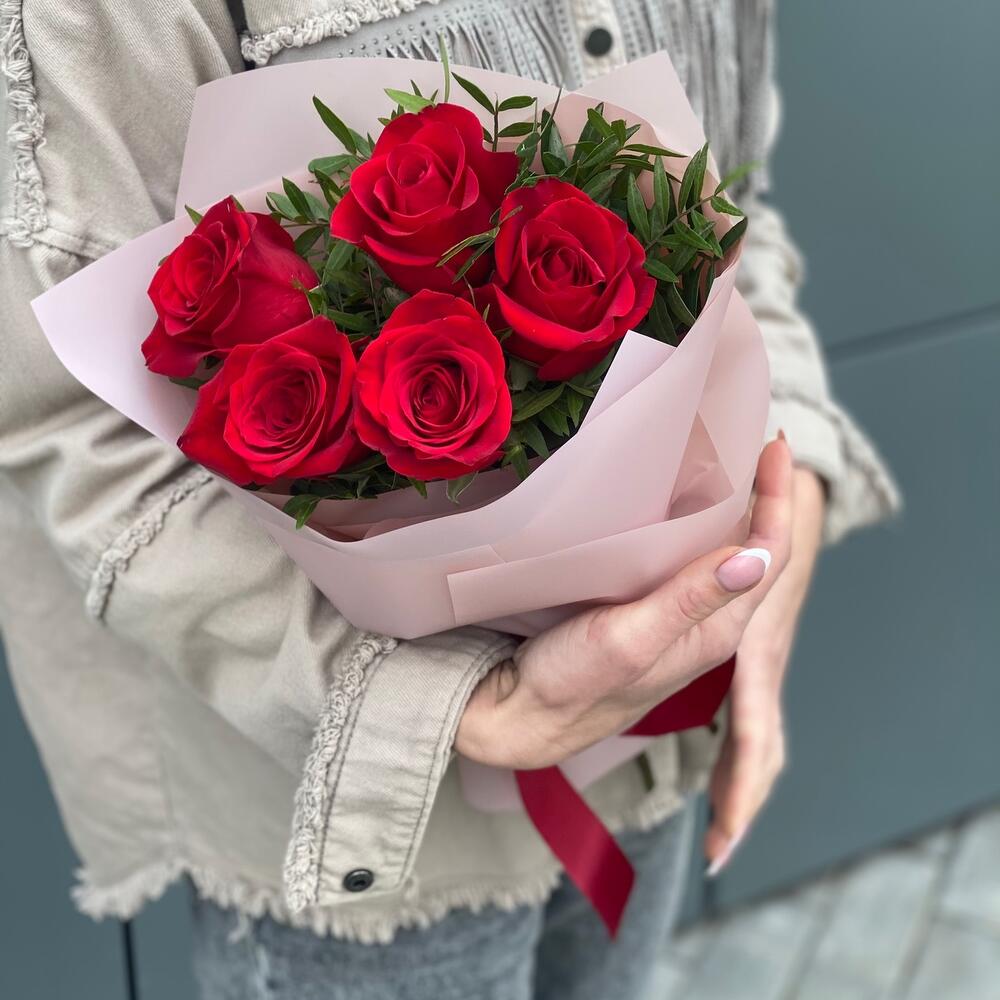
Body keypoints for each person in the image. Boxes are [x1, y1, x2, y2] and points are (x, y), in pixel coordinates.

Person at [0, 1, 899, 997]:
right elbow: (69, 415)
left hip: (654, 737)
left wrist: (778, 509)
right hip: (372, 855)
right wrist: (448, 707)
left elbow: (733, 212)